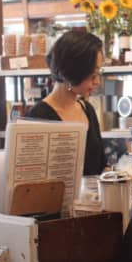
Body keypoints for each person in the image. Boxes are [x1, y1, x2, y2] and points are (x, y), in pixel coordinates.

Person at [26, 30, 106, 176]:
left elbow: (100, 167)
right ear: (73, 71)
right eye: (93, 74)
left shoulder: (87, 110)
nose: (97, 81)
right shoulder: (38, 117)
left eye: (98, 73)